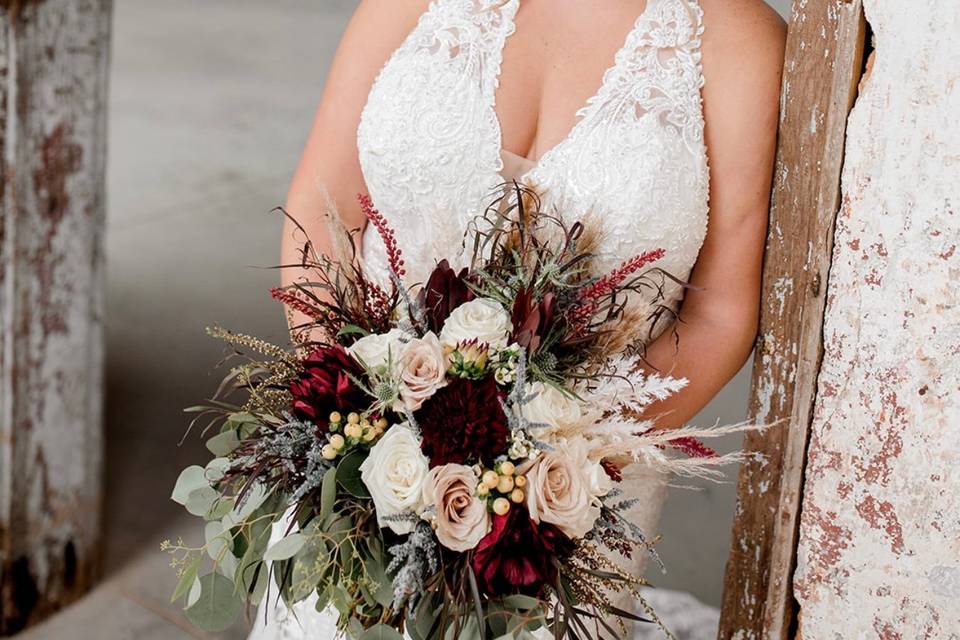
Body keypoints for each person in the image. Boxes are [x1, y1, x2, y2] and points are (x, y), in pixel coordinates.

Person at [253, 1, 785, 637]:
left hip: (568, 503)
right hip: (364, 462)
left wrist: (551, 460)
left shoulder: (739, 39)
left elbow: (721, 313)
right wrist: (353, 415)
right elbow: (321, 209)